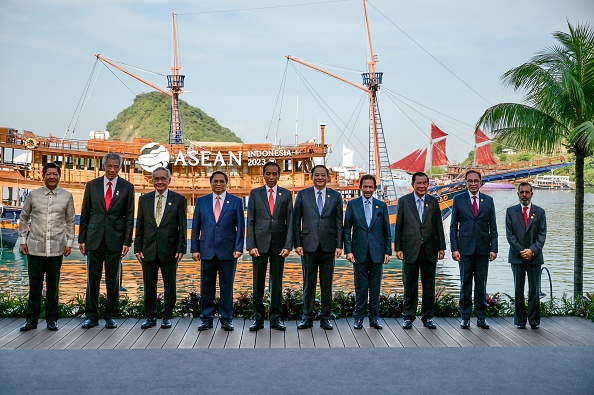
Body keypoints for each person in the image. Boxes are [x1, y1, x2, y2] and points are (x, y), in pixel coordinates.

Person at [79, 152, 134, 329]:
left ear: (120, 167)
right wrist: (82, 239)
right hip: (93, 239)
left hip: (115, 239)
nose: (112, 170)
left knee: (113, 279)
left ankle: (111, 315)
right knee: (92, 279)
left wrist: (127, 241)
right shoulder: (92, 185)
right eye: (109, 166)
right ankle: (91, 316)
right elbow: (85, 212)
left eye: (115, 166)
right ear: (104, 166)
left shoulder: (127, 187)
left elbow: (129, 217)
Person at [18, 163, 75, 332]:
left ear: (59, 176)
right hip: (35, 248)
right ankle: (31, 320)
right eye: (48, 174)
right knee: (34, 286)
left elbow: (70, 221)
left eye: (55, 174)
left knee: (53, 286)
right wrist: (23, 240)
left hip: (57, 248)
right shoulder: (33, 195)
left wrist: (69, 243)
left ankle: (52, 320)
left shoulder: (67, 196)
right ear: (43, 176)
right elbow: (23, 217)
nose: (52, 177)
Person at [191, 171, 244, 332]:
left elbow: (240, 227)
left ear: (227, 183)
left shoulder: (236, 202)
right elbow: (196, 227)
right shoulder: (201, 201)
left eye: (221, 181)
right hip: (206, 251)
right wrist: (194, 249)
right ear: (211, 183)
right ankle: (206, 319)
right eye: (215, 181)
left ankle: (226, 319)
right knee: (206, 287)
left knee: (227, 288)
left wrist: (238, 248)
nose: (218, 184)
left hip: (228, 252)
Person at [135, 167, 187, 329]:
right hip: (148, 249)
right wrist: (137, 248)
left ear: (169, 180)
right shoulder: (144, 200)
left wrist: (181, 248)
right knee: (149, 284)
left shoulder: (179, 199)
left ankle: (167, 316)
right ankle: (150, 316)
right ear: (152, 180)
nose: (160, 181)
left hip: (170, 249)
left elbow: (182, 227)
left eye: (163, 178)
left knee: (169, 284)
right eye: (156, 178)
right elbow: (140, 226)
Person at [293, 164, 343, 330]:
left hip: (329, 246)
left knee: (326, 284)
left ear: (328, 177)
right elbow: (295, 221)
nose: (320, 178)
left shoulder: (336, 196)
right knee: (309, 283)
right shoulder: (302, 195)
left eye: (323, 175)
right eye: (317, 175)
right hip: (308, 245)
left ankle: (325, 317)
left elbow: (338, 222)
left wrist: (339, 245)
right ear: (311, 176)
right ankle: (307, 317)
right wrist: (297, 243)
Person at [394, 172, 446, 330]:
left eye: (425, 183)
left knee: (429, 285)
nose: (422, 186)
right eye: (419, 183)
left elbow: (438, 225)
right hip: (410, 249)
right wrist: (398, 248)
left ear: (428, 185)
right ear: (413, 184)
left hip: (430, 249)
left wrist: (442, 247)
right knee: (409, 285)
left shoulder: (433, 202)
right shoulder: (404, 201)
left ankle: (428, 317)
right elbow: (399, 225)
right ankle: (408, 317)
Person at [246, 162, 293, 332]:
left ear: (279, 175)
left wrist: (288, 245)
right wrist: (250, 245)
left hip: (279, 246)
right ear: (263, 175)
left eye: (274, 174)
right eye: (268, 174)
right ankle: (258, 318)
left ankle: (275, 318)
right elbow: (250, 221)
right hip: (259, 245)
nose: (271, 177)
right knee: (257, 283)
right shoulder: (255, 194)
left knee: (277, 283)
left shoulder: (286, 195)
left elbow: (290, 222)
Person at [450, 170, 498, 329]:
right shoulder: (458, 200)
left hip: (484, 250)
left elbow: (493, 227)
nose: (473, 183)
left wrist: (494, 248)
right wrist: (454, 248)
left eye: (475, 181)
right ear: (465, 183)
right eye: (469, 181)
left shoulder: (488, 201)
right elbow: (453, 227)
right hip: (464, 250)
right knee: (465, 284)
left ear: (480, 182)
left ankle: (481, 317)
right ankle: (465, 317)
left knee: (481, 285)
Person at [344, 175, 391, 330]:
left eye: (371, 187)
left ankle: (374, 319)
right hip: (358, 252)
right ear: (360, 187)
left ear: (375, 188)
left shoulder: (381, 205)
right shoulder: (353, 204)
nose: (368, 190)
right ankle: (358, 318)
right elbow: (346, 229)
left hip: (377, 252)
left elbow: (386, 230)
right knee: (361, 287)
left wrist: (387, 251)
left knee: (375, 287)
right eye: (365, 186)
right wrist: (348, 251)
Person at [506, 182, 546, 330]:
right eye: (521, 192)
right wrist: (522, 251)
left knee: (534, 290)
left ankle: (534, 321)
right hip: (517, 257)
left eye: (527, 192)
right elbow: (510, 235)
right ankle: (520, 321)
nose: (524, 195)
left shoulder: (540, 212)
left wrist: (532, 251)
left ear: (531, 194)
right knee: (518, 289)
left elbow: (542, 235)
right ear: (518, 194)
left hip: (535, 257)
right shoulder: (510, 212)